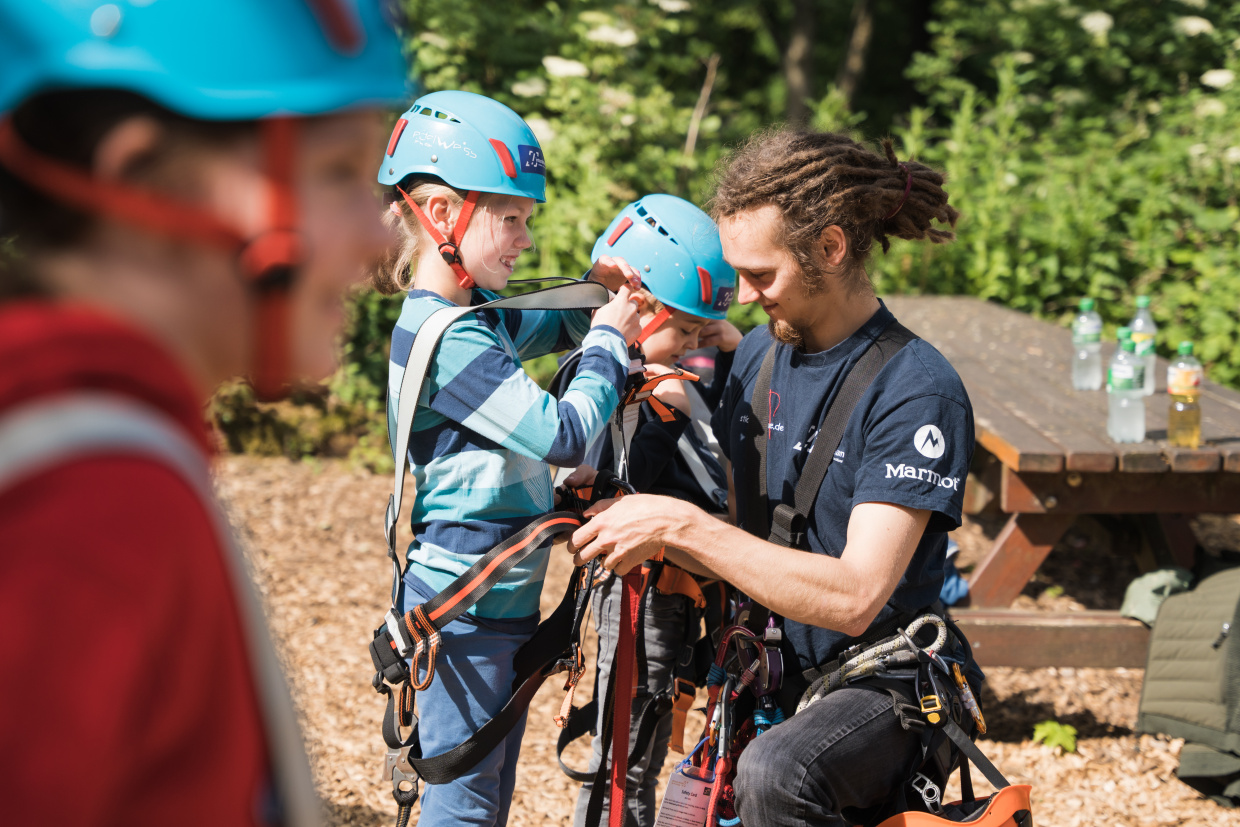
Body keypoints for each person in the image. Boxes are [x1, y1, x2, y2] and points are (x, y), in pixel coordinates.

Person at [0, 2, 409, 825]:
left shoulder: (85, 438)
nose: (375, 236)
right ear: (142, 179)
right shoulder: (93, 507)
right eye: (336, 172)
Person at [568, 129, 982, 827]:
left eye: (762, 276)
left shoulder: (917, 390)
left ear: (830, 248)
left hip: (877, 681)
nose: (745, 294)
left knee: (778, 771)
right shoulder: (759, 352)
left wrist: (679, 525)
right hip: (761, 666)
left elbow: (855, 595)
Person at [373, 89, 642, 827]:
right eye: (510, 218)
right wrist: (610, 341)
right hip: (465, 611)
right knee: (463, 805)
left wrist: (598, 294)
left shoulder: (466, 321)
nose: (525, 238)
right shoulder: (450, 340)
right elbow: (565, 432)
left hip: (491, 606)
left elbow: (539, 320)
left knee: (484, 797)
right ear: (439, 216)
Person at [550, 195, 740, 827]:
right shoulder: (627, 382)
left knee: (643, 748)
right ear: (640, 307)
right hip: (640, 591)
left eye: (696, 333)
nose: (691, 345)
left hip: (671, 590)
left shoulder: (643, 376)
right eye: (683, 329)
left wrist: (726, 351)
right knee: (625, 758)